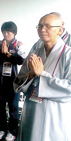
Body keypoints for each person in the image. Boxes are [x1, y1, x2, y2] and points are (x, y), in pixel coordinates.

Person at [14, 13, 71, 141]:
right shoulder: (35, 50)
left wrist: (42, 75)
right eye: (39, 26)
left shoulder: (68, 54)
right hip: (31, 108)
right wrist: (31, 74)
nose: (42, 29)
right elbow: (20, 78)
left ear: (60, 30)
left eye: (47, 26)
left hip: (55, 114)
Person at [0, 21, 25, 141]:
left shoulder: (19, 44)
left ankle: (12, 132)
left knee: (13, 108)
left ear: (14, 33)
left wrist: (8, 54)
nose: (6, 34)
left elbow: (22, 60)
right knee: (0, 107)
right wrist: (0, 52)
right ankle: (1, 129)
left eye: (9, 31)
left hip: (13, 82)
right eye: (4, 31)